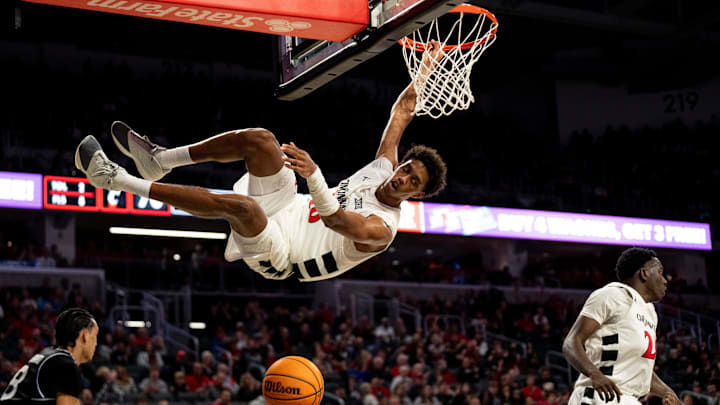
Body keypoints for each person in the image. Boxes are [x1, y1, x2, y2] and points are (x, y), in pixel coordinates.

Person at [73, 43, 447, 282]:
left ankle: (115, 179)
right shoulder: (383, 168)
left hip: (284, 253)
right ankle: (159, 160)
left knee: (243, 207)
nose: (403, 178)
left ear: (417, 194)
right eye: (407, 169)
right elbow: (403, 110)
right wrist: (426, 69)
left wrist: (314, 175)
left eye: (413, 182)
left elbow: (334, 219)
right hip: (290, 205)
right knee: (260, 140)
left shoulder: (383, 229)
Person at [562, 247, 680, 405]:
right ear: (644, 273)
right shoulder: (612, 295)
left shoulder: (650, 312)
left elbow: (639, 369)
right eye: (659, 272)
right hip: (600, 396)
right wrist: (594, 374)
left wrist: (667, 392)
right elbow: (571, 342)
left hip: (629, 399)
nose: (665, 280)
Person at [0, 308, 98, 405]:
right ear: (84, 336)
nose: (96, 343)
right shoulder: (66, 365)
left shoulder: (49, 354)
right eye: (94, 337)